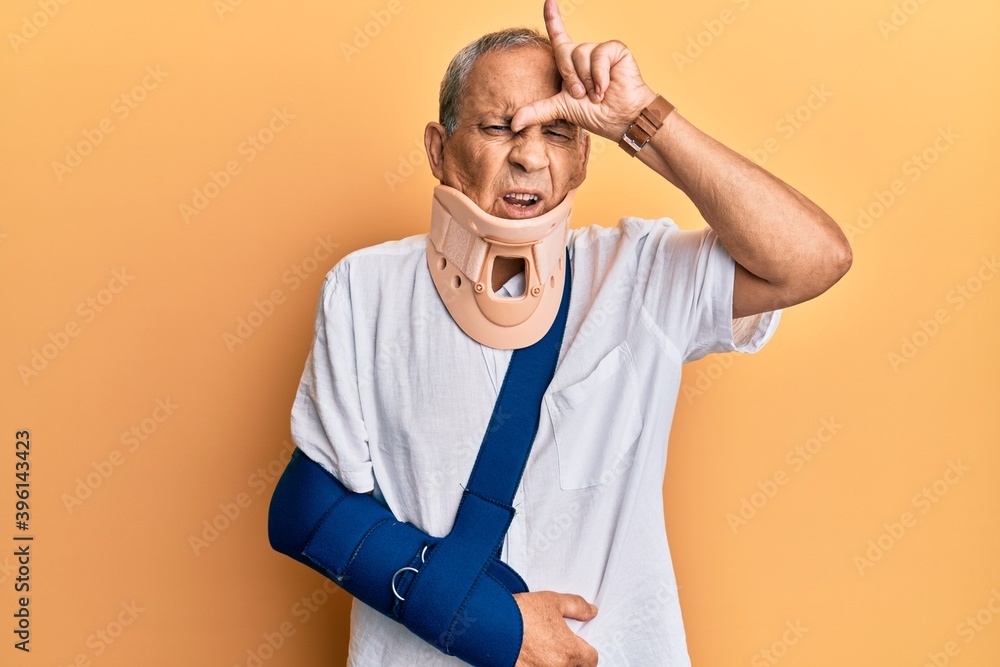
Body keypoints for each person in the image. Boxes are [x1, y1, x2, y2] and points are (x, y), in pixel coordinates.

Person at [271, 1, 851, 665]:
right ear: (439, 149)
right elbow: (308, 505)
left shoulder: (642, 276)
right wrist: (491, 624)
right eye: (498, 128)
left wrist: (643, 120)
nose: (528, 158)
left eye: (556, 133)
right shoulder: (364, 288)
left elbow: (814, 259)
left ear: (584, 158)